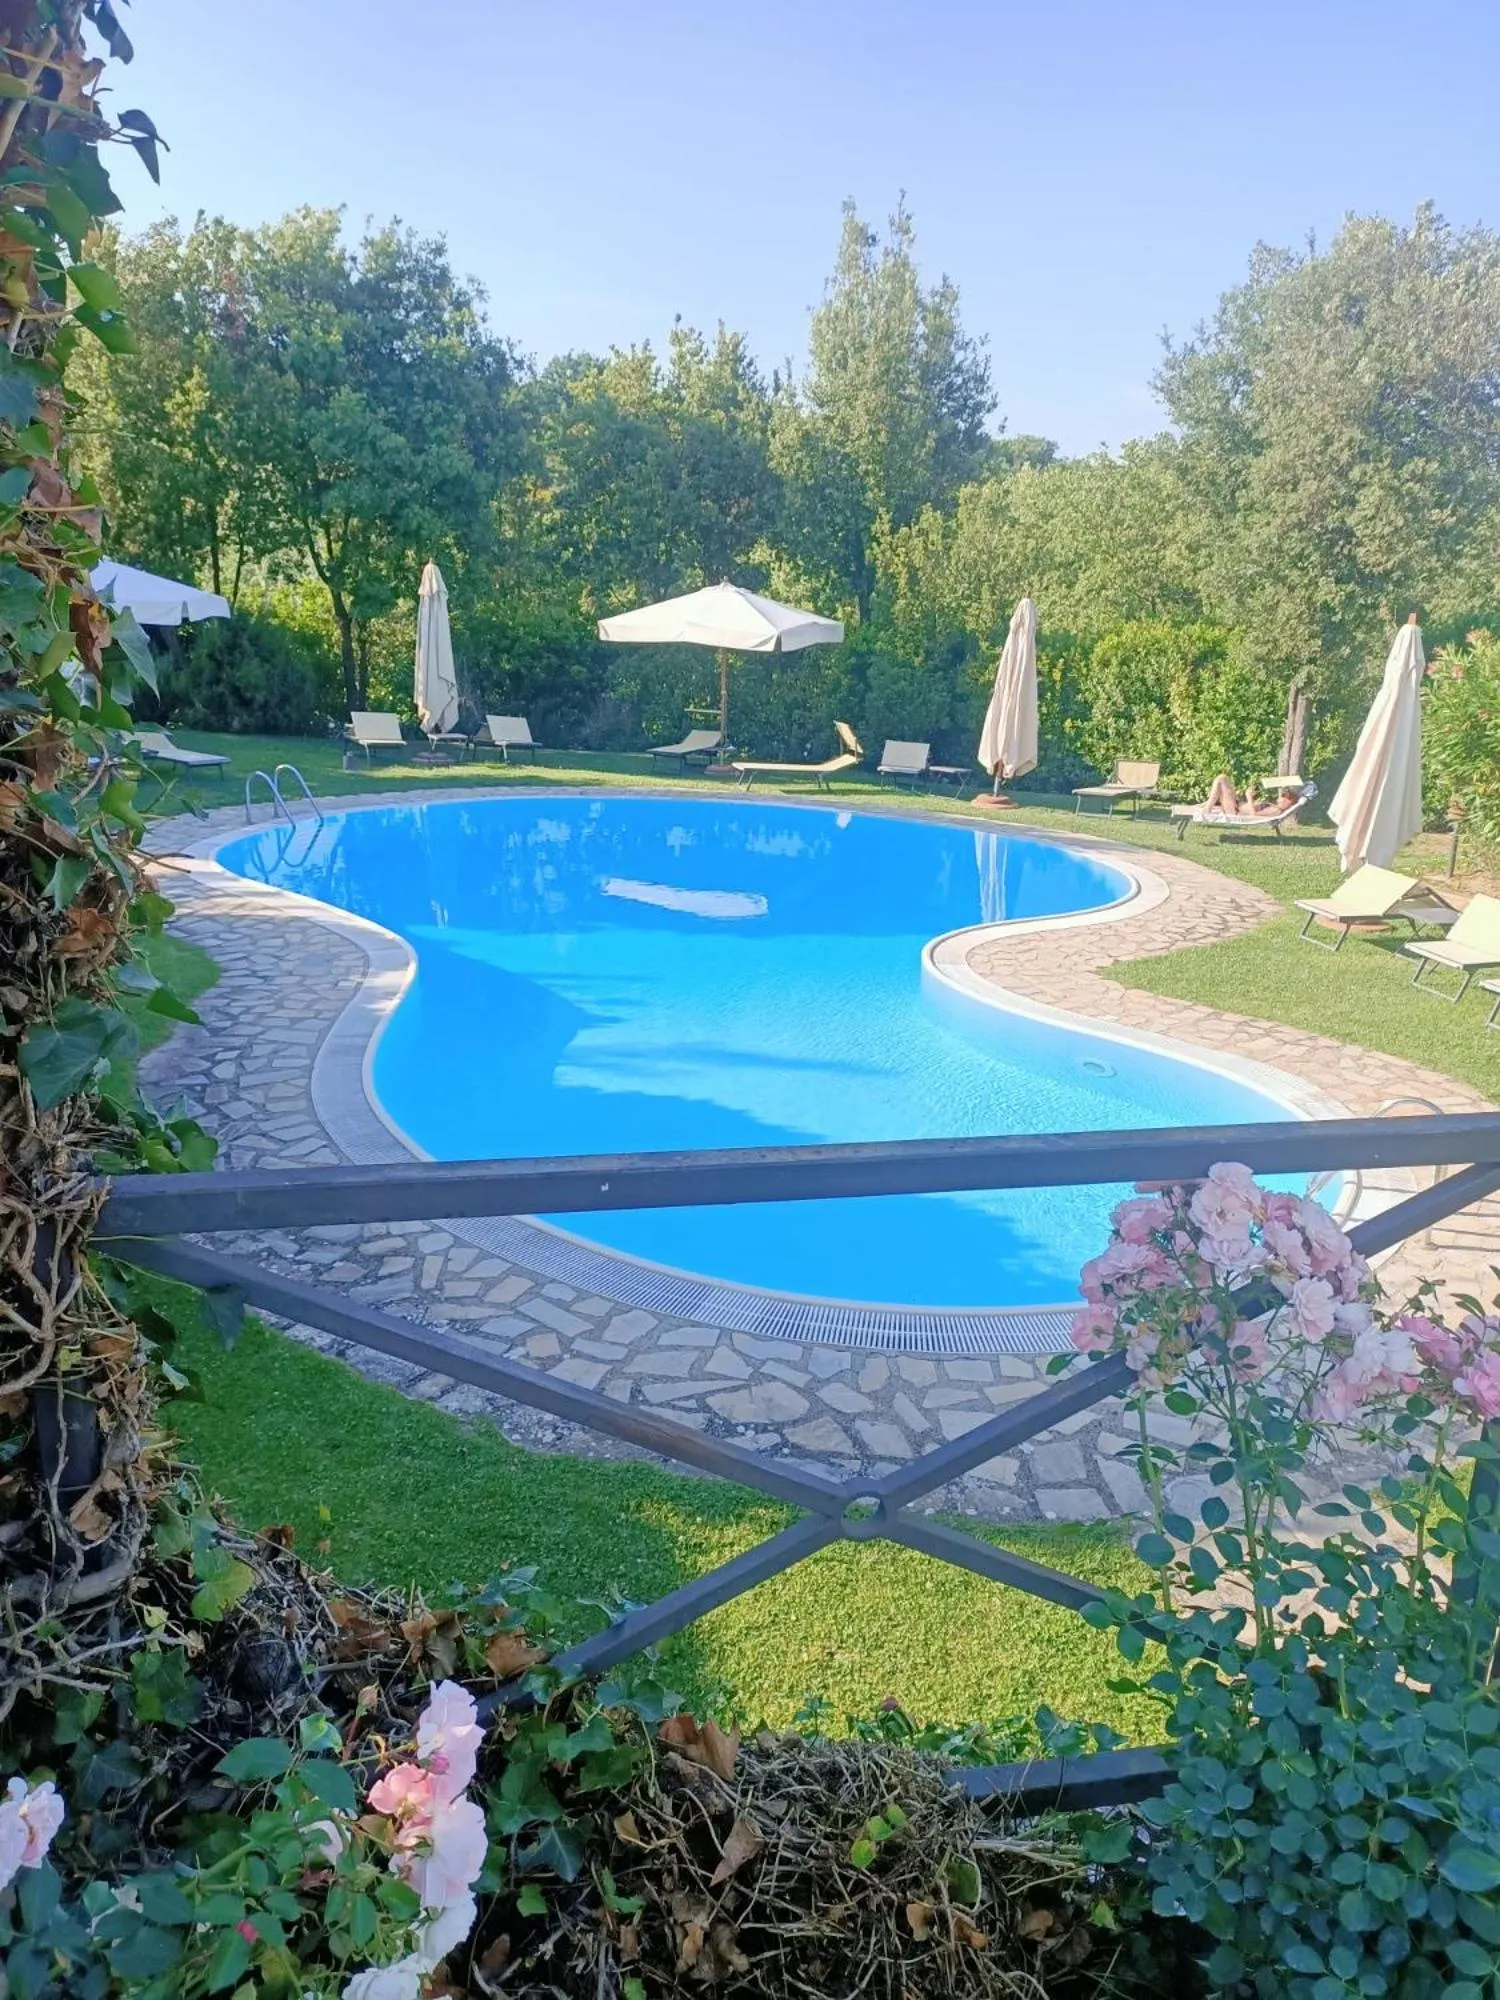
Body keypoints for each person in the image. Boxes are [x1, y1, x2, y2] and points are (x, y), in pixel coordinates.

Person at [1201, 774, 1302, 818]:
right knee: (1224, 779)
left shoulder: (1276, 810)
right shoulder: (1274, 806)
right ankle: (1208, 805)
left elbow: (1254, 815)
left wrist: (1249, 797)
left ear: (1289, 802)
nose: (1282, 796)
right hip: (1238, 805)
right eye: (1284, 794)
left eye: (1285, 796)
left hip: (1236, 811)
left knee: (1221, 779)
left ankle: (1207, 809)